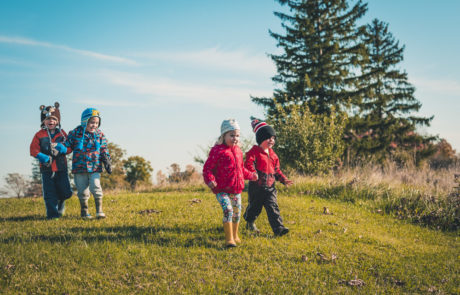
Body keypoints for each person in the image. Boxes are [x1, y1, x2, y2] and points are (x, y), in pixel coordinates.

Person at [203, 119, 258, 247]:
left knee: (237, 212)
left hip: (236, 190)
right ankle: (229, 239)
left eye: (237, 135)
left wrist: (251, 175)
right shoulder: (217, 151)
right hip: (221, 189)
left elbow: (241, 170)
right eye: (231, 135)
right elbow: (207, 168)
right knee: (228, 210)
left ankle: (235, 235)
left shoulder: (238, 151)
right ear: (224, 135)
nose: (235, 138)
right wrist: (210, 180)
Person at [243, 118, 293, 236]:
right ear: (261, 139)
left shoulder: (273, 155)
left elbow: (276, 170)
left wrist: (283, 179)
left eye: (273, 138)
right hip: (256, 187)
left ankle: (279, 229)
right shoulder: (254, 152)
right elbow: (248, 164)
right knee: (255, 208)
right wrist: (253, 172)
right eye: (268, 137)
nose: (271, 140)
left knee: (272, 207)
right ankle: (249, 220)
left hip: (270, 187)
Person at [65, 108, 111, 219]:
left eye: (96, 123)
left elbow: (104, 148)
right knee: (82, 191)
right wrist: (60, 148)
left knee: (96, 187)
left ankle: (99, 211)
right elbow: (67, 144)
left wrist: (106, 159)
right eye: (91, 122)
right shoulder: (76, 133)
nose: (94, 125)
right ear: (84, 121)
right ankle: (84, 211)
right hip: (79, 167)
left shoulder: (100, 135)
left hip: (95, 167)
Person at [30, 102, 72, 219]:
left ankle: (61, 203)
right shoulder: (39, 134)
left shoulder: (62, 134)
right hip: (46, 168)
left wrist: (64, 149)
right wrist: (41, 156)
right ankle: (52, 215)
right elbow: (33, 149)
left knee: (66, 192)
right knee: (49, 194)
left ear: (58, 120)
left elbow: (69, 147)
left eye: (53, 119)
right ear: (43, 121)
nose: (51, 121)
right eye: (48, 119)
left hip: (61, 167)